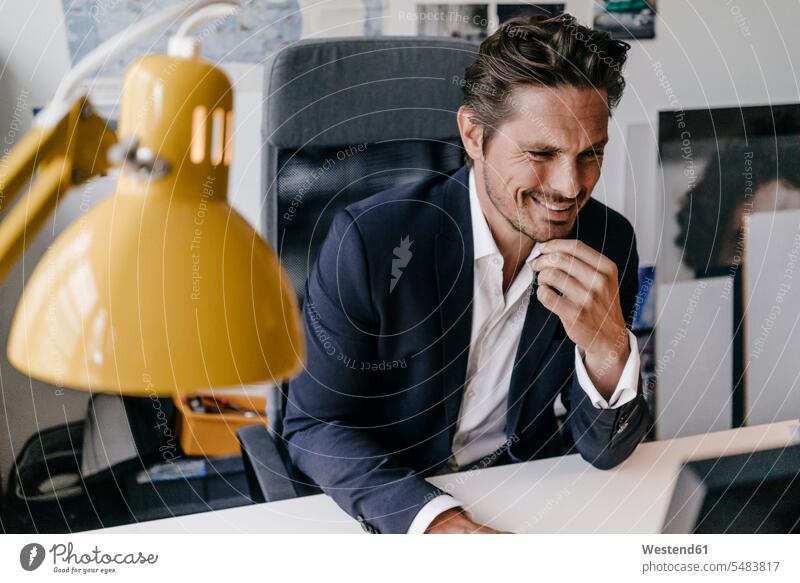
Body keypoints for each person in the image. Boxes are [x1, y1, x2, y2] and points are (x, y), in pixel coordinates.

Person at [283, 14, 649, 534]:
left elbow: (606, 450)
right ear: (474, 136)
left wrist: (608, 349)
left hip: (523, 498)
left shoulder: (608, 243)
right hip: (387, 503)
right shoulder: (372, 241)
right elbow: (314, 424)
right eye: (541, 154)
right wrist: (436, 522)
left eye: (590, 154)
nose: (571, 187)